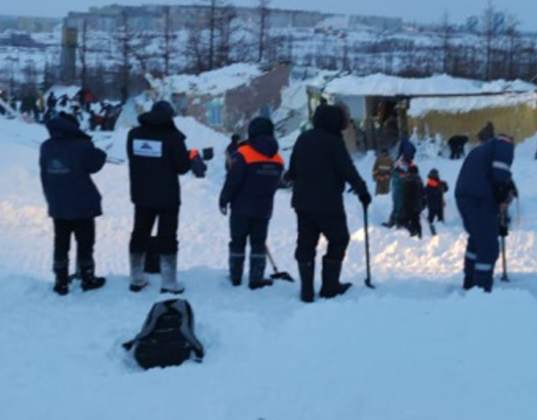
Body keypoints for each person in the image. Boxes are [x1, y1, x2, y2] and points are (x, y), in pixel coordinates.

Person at [287, 104, 371, 303]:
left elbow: (292, 171)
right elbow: (347, 170)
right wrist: (362, 191)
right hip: (328, 204)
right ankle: (329, 286)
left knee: (306, 244)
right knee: (339, 239)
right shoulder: (334, 142)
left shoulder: (303, 138)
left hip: (303, 203)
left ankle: (306, 290)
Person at [126, 101, 206, 294]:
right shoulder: (173, 137)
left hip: (141, 194)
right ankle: (168, 282)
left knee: (140, 233)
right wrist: (191, 157)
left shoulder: (134, 135)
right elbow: (182, 167)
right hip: (167, 197)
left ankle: (137, 278)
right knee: (167, 236)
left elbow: (134, 158)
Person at [40, 112, 108, 295]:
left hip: (58, 203)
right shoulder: (82, 145)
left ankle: (60, 281)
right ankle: (87, 278)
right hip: (82, 204)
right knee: (85, 242)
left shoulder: (46, 147)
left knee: (61, 244)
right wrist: (98, 150)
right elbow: (95, 164)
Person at [219, 117, 284, 289]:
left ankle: (236, 276)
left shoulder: (243, 154)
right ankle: (256, 278)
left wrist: (224, 198)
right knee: (258, 243)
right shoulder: (278, 159)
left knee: (238, 241)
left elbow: (233, 180)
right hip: (264, 209)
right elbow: (275, 182)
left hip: (241, 208)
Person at [454, 127, 517, 292]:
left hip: (464, 196)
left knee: (476, 239)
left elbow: (496, 171)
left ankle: (470, 279)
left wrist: (509, 185)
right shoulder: (505, 145)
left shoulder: (483, 150)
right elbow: (500, 171)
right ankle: (481, 287)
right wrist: (503, 194)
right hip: (479, 198)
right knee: (488, 246)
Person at [398, 160, 425, 238]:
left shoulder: (408, 181)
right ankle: (419, 235)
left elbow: (405, 195)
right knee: (416, 221)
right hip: (418, 206)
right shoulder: (419, 180)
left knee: (404, 220)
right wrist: (422, 205)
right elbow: (423, 194)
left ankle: (413, 232)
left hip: (409, 206)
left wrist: (403, 205)